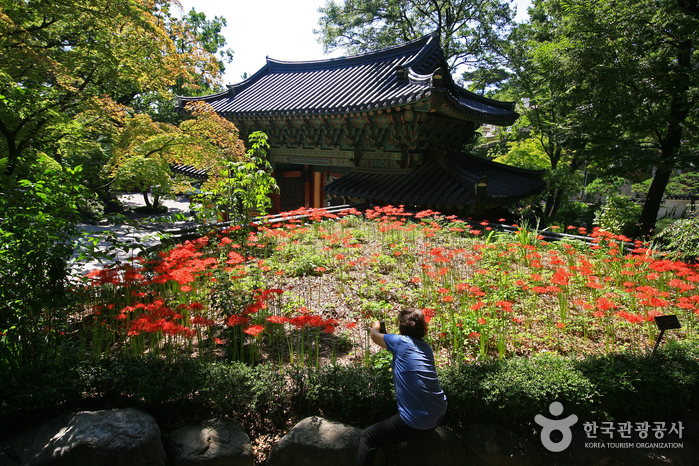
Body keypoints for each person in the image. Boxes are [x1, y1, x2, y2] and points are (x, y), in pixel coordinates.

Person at [356, 307, 447, 466]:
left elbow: (375, 336)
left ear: (401, 327)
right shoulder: (426, 348)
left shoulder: (399, 342)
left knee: (368, 437)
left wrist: (375, 325)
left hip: (417, 420)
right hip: (438, 412)